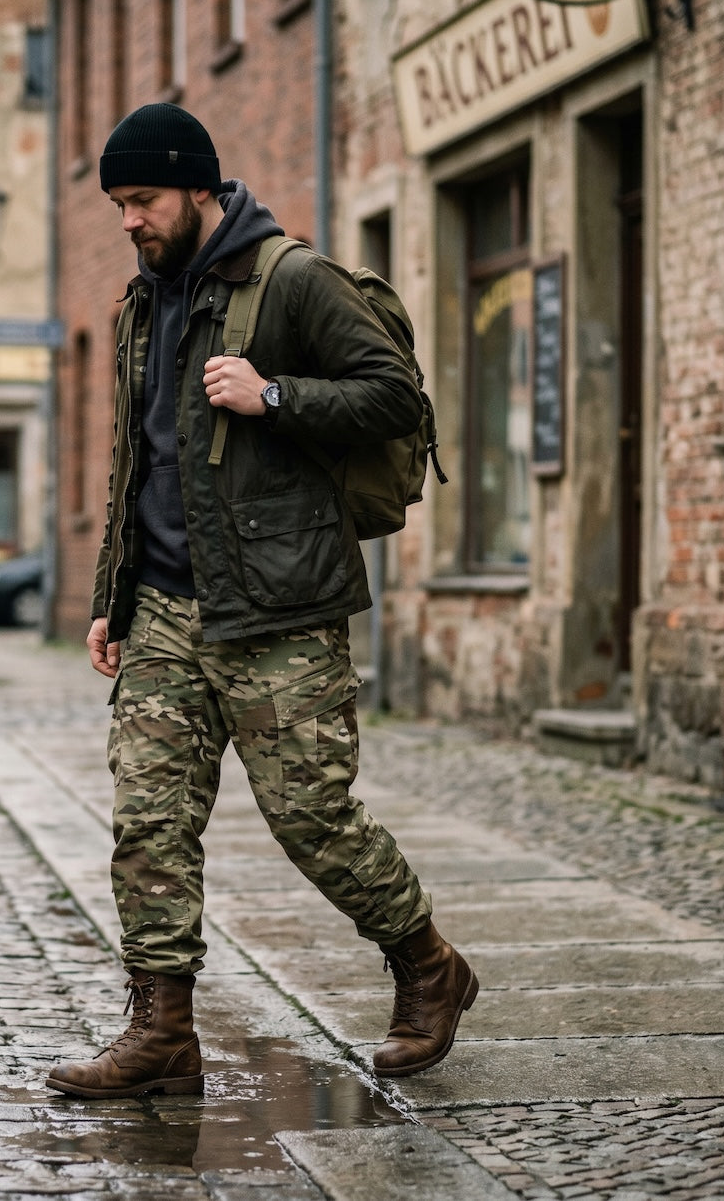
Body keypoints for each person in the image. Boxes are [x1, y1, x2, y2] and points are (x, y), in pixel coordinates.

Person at [46, 104, 478, 1100]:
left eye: (142, 199)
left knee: (311, 818)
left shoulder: (292, 280)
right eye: (116, 203)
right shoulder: (140, 305)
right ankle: (161, 1031)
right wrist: (114, 592)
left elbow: (396, 396)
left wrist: (274, 395)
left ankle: (427, 966)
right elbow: (136, 464)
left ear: (197, 188)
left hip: (278, 609)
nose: (128, 220)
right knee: (146, 822)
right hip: (161, 609)